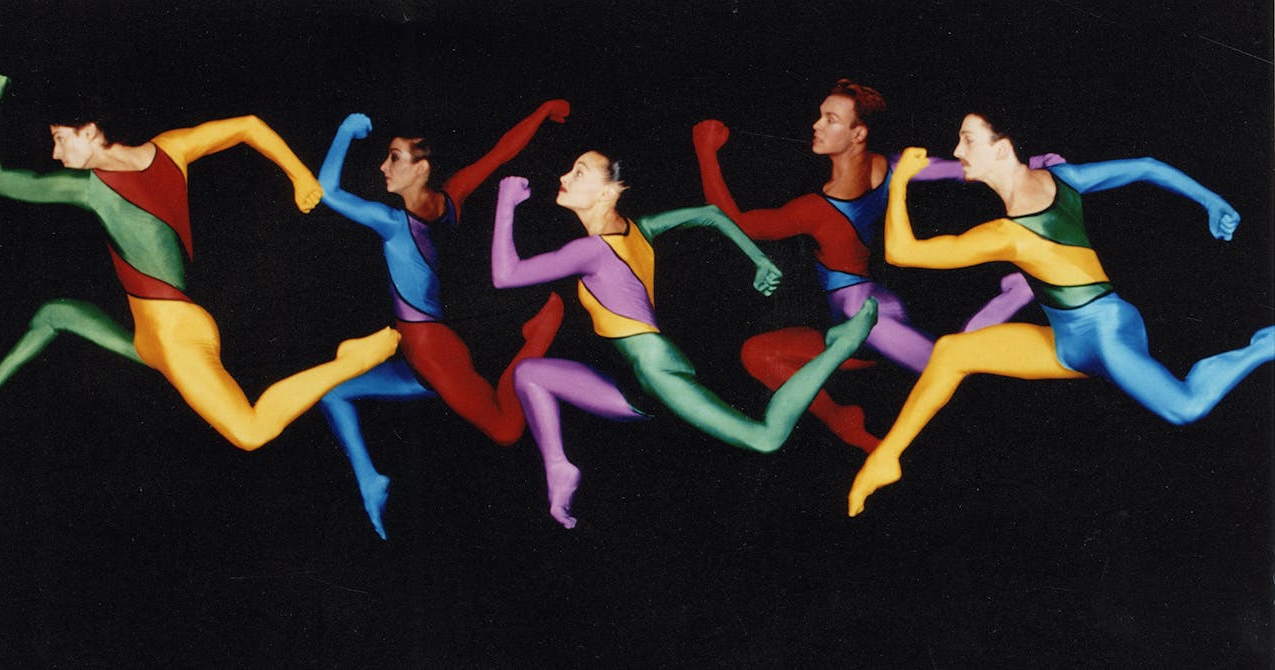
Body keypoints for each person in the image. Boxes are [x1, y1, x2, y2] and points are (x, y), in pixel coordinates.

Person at [0, 73, 400, 456]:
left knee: (250, 432)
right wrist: (297, 177)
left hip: (175, 335)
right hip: (152, 341)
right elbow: (248, 126)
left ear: (91, 132)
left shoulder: (92, 188)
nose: (55, 153)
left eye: (61, 138)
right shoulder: (172, 150)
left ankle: (350, 360)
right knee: (56, 314)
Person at [847, 111, 1275, 516]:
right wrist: (1211, 201)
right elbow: (1147, 165)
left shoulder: (1009, 235)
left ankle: (1262, 347)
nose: (957, 150)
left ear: (1002, 149)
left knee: (1186, 406)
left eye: (968, 139)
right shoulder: (1062, 180)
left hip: (1105, 332)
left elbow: (901, 253)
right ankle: (886, 457)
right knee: (952, 352)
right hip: (1066, 344)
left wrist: (900, 182)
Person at [492, 151, 879, 529]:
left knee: (764, 438)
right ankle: (559, 467)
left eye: (579, 172)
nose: (564, 177)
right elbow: (708, 215)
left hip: (656, 372)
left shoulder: (590, 251)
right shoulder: (636, 229)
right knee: (529, 374)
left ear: (609, 192)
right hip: (635, 377)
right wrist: (758, 259)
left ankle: (841, 344)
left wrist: (506, 204)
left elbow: (505, 277)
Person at [692, 79, 1056, 451]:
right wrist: (1034, 166)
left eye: (830, 119)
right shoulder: (883, 172)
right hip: (846, 331)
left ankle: (1013, 296)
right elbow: (964, 168)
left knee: (950, 369)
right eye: (820, 116)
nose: (816, 125)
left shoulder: (820, 209)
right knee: (758, 354)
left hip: (871, 317)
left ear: (858, 133)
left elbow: (729, 222)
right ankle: (842, 420)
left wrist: (705, 151)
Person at [314, 103, 569, 539]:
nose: (383, 166)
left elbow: (328, 191)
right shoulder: (451, 200)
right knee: (332, 393)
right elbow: (500, 152)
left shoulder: (394, 223)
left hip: (432, 352)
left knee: (507, 430)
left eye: (394, 157)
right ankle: (371, 480)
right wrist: (541, 112)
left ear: (421, 168)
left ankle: (537, 339)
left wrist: (344, 129)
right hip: (418, 351)